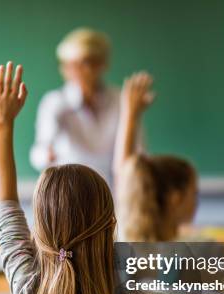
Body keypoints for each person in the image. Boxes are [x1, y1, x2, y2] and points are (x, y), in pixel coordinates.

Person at [0, 62, 224, 294]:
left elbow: (5, 205)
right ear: (111, 223)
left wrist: (2, 124)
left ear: (41, 227)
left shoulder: (28, 287)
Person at [30, 28, 144, 183]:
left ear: (101, 65)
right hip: (70, 191)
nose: (76, 71)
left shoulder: (120, 101)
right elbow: (38, 153)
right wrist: (47, 153)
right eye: (69, 65)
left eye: (84, 63)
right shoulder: (55, 102)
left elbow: (137, 153)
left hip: (112, 192)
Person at [113, 72, 197, 241]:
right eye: (195, 193)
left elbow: (123, 173)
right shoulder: (192, 251)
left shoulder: (126, 239)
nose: (197, 202)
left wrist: (130, 114)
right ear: (175, 199)